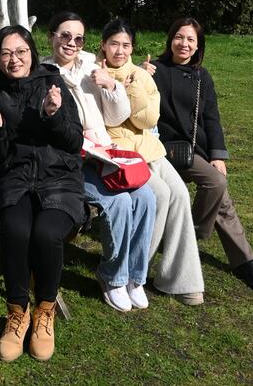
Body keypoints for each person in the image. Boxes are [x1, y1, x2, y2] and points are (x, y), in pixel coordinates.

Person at [0, 26, 84, 362]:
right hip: (18, 178)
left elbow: (74, 141)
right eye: (6, 53)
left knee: (47, 233)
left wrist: (53, 115)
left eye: (21, 52)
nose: (14, 60)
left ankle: (45, 311)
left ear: (32, 53)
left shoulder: (52, 85)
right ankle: (16, 312)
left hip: (59, 178)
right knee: (15, 228)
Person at [42, 12, 156, 313]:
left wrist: (110, 86)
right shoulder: (42, 72)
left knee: (146, 197)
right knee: (117, 202)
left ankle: (135, 276)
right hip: (71, 162)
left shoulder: (90, 67)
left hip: (103, 154)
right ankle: (112, 276)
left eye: (78, 38)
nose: (71, 43)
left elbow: (116, 117)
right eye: (64, 36)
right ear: (51, 35)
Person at [151, 17, 253, 289]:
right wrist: (142, 74)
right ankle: (202, 240)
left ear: (197, 46)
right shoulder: (154, 69)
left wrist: (217, 154)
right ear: (170, 39)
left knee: (220, 197)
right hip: (162, 149)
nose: (184, 43)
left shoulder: (202, 76)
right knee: (217, 186)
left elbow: (211, 117)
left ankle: (243, 260)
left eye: (191, 39)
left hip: (195, 150)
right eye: (179, 37)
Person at [98, 18, 205, 305]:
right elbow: (115, 119)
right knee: (160, 194)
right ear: (103, 46)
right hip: (121, 153)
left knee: (180, 194)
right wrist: (120, 87)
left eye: (126, 45)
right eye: (114, 44)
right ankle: (133, 274)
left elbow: (147, 119)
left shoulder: (141, 75)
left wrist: (131, 86)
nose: (120, 51)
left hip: (149, 148)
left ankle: (181, 279)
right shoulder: (94, 74)